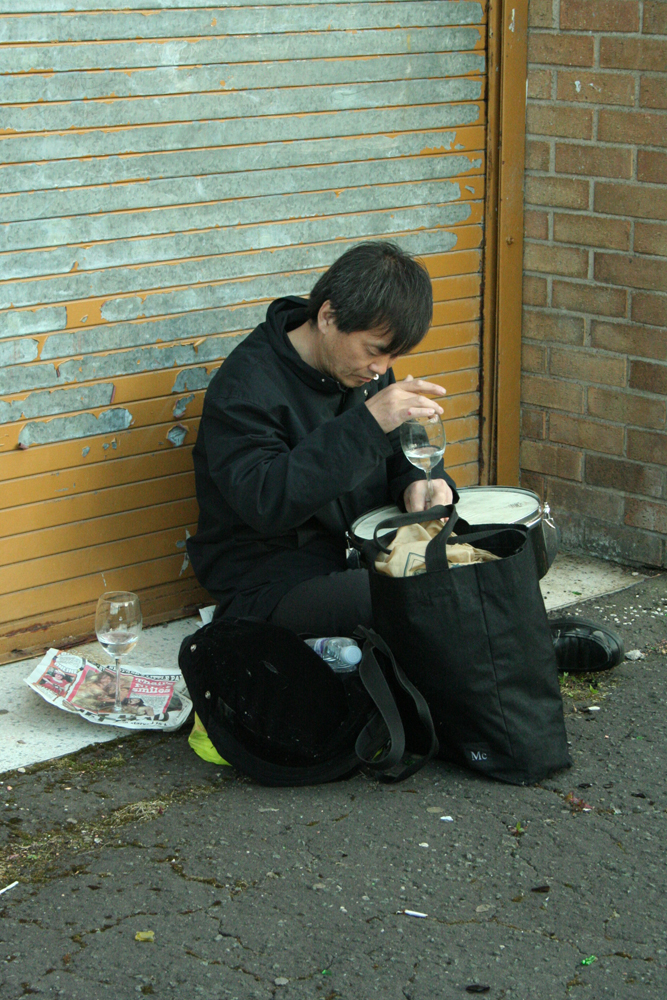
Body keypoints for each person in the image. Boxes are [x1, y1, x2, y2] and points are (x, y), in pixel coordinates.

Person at [187, 241, 458, 636]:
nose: (381, 368)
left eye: (394, 358)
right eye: (375, 351)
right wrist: (366, 424)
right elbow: (267, 501)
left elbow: (401, 449)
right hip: (272, 577)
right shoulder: (245, 385)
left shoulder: (364, 368)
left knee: (507, 550)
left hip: (362, 547)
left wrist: (421, 481)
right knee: (398, 597)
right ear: (328, 316)